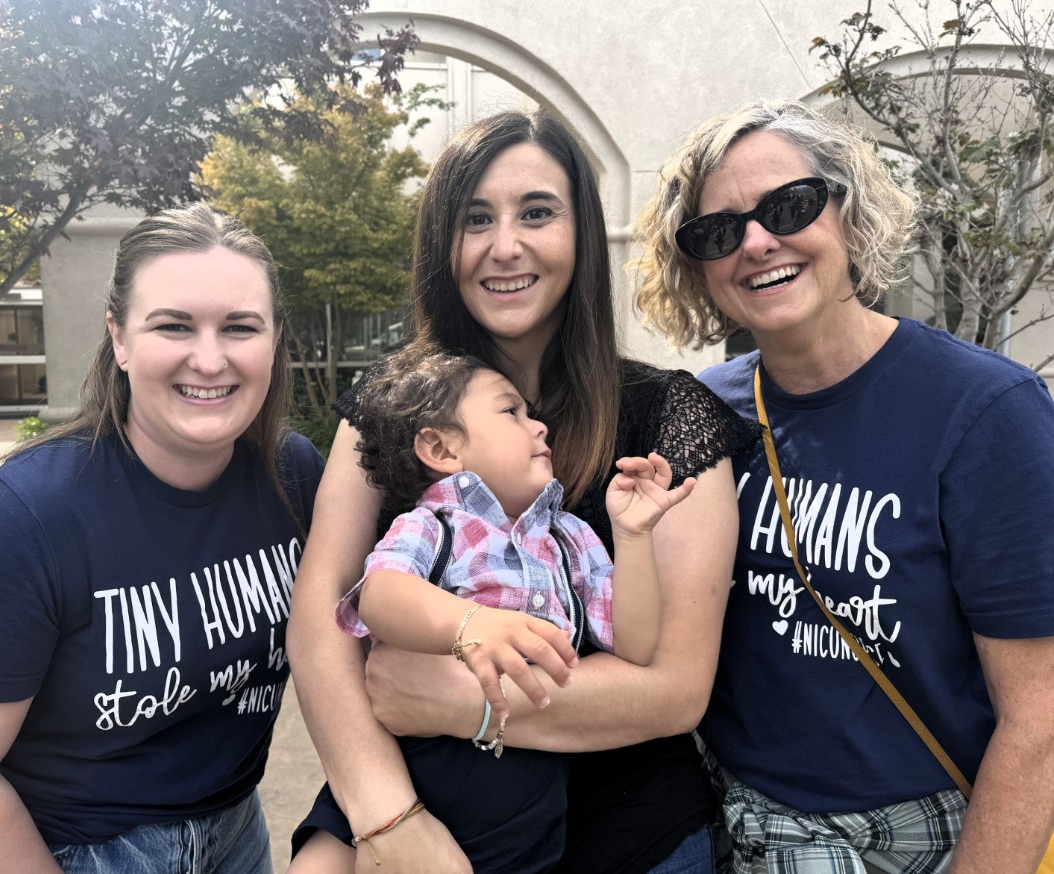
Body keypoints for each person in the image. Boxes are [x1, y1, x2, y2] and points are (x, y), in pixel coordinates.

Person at [287, 108, 758, 874]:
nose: (503, 246)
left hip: (633, 837)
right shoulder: (393, 408)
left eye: (536, 212)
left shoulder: (673, 418)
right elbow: (321, 622)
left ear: (579, 232)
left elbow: (672, 688)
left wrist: (461, 703)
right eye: (475, 218)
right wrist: (386, 819)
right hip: (428, 821)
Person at [632, 97, 1054, 873]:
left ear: (848, 214)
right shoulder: (698, 411)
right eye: (717, 232)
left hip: (923, 831)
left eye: (788, 206)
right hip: (731, 817)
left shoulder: (986, 412)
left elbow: (1039, 718)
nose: (757, 243)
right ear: (696, 267)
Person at [0, 203, 325, 873]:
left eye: (240, 327)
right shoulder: (27, 516)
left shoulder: (293, 475)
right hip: (65, 849)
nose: (210, 358)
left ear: (274, 340)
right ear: (118, 338)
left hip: (236, 829)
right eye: (173, 325)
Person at [293, 345, 696, 872]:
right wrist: (469, 624)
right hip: (416, 764)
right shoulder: (435, 524)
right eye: (512, 412)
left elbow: (638, 646)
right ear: (440, 448)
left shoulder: (569, 539)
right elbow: (381, 594)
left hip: (521, 808)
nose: (539, 427)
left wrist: (633, 537)